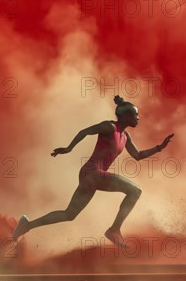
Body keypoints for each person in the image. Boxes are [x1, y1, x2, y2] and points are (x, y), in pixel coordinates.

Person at [11, 95, 174, 247]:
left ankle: (26, 225)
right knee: (135, 191)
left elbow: (138, 155)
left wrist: (159, 147)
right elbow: (85, 132)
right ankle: (114, 230)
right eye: (136, 115)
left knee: (69, 214)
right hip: (92, 172)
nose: (138, 118)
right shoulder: (110, 127)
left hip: (92, 176)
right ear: (126, 116)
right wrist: (69, 148)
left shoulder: (125, 137)